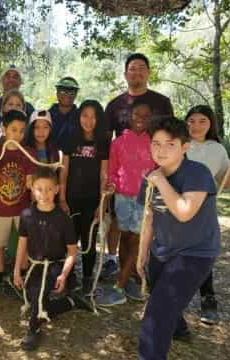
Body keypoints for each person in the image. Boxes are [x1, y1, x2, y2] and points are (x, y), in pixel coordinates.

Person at [137, 117, 220, 360]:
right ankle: (180, 329)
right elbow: (149, 219)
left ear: (185, 147)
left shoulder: (197, 173)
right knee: (161, 294)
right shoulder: (150, 178)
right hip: (163, 249)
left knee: (158, 312)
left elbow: (184, 212)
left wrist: (161, 180)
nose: (161, 150)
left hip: (196, 253)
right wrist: (143, 254)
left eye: (170, 144)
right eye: (156, 144)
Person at [102, 53, 174, 280]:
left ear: (148, 72)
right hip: (123, 183)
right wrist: (108, 177)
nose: (137, 72)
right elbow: (107, 144)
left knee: (146, 226)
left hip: (153, 179)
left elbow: (171, 138)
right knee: (119, 222)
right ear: (125, 74)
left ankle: (140, 268)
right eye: (132, 68)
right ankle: (114, 261)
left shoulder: (162, 102)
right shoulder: (115, 105)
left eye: (141, 68)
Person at [96, 100, 156, 306]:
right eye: (137, 115)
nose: (141, 119)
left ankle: (119, 287)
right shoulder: (118, 142)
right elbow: (112, 171)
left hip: (145, 198)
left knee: (138, 242)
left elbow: (160, 170)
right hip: (122, 197)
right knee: (125, 238)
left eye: (146, 116)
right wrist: (111, 185)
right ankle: (128, 277)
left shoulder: (155, 143)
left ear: (151, 120)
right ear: (129, 117)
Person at [14, 168, 78, 351]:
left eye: (49, 189)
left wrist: (64, 275)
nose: (44, 194)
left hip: (55, 267)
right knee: (36, 299)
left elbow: (72, 252)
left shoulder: (63, 219)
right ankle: (69, 303)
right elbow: (21, 246)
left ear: (57, 189)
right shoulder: (26, 215)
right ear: (32, 190)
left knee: (37, 296)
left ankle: (33, 330)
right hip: (35, 266)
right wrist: (17, 270)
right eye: (39, 189)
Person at [185, 105, 230, 324]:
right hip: (178, 204)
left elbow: (225, 182)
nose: (196, 126)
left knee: (202, 253)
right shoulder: (180, 145)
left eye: (202, 121)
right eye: (191, 121)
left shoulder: (218, 149)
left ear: (210, 123)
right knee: (176, 251)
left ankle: (208, 297)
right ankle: (174, 299)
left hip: (205, 208)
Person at [58, 100, 109, 294]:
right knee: (69, 239)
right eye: (85, 115)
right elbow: (63, 172)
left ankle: (87, 278)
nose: (89, 120)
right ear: (79, 117)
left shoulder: (103, 142)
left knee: (89, 241)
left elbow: (104, 175)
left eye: (93, 116)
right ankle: (68, 276)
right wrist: (62, 199)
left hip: (91, 200)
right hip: (70, 199)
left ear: (99, 119)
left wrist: (102, 203)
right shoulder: (71, 138)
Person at [0, 110, 37, 298]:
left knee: (23, 245)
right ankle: (1, 276)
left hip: (21, 209)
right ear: (3, 129)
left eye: (22, 131)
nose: (18, 135)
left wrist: (32, 184)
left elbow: (31, 178)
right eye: (13, 130)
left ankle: (22, 275)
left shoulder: (29, 153)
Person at [48, 76, 80, 151]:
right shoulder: (47, 116)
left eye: (71, 92)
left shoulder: (81, 117)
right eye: (62, 91)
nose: (67, 95)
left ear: (75, 95)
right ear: (57, 93)